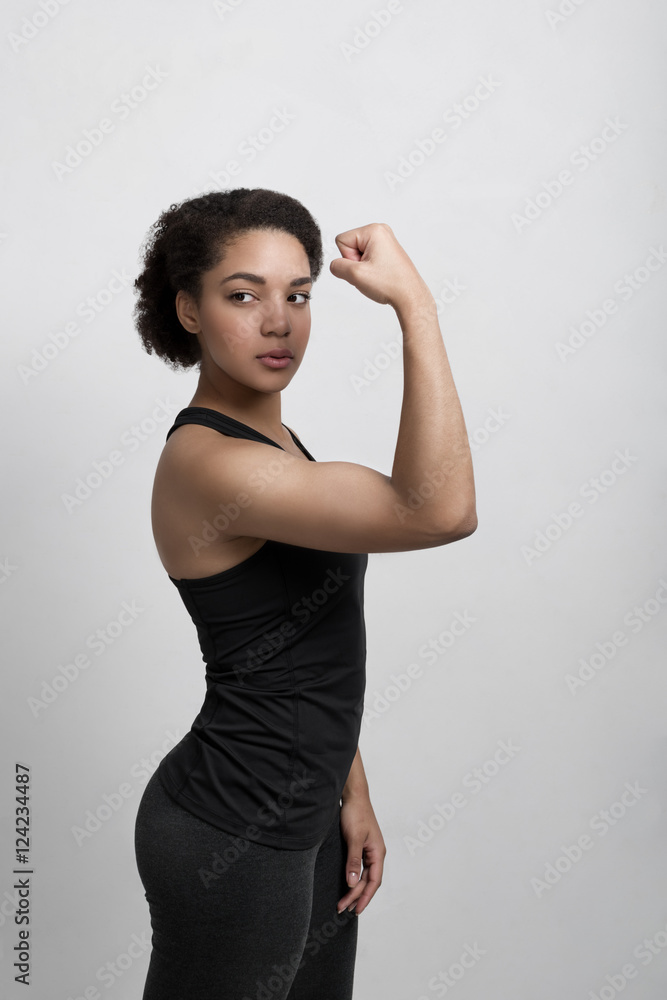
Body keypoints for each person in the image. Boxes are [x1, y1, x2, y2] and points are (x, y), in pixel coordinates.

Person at [132, 187, 477, 999]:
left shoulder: (276, 443)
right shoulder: (212, 464)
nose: (277, 322)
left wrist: (349, 791)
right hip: (231, 828)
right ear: (188, 309)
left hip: (308, 815)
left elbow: (302, 642)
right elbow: (439, 510)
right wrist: (416, 307)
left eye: (297, 295)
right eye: (242, 295)